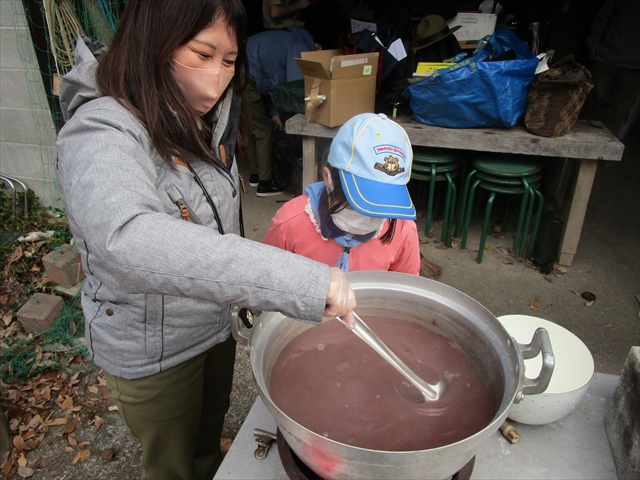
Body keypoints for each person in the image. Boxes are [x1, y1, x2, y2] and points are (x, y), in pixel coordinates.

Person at [54, 1, 356, 479]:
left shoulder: (204, 115)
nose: (216, 79)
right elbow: (127, 238)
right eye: (202, 53)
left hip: (213, 326)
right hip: (153, 350)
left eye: (230, 60)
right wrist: (300, 281)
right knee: (173, 466)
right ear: (153, 42)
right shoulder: (100, 129)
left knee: (205, 446)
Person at [263, 113, 421, 274]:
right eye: (358, 202)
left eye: (385, 204)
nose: (370, 215)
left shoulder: (404, 230)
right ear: (328, 178)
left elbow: (404, 290)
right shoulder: (289, 224)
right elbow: (265, 282)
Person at [245, 27, 318, 196]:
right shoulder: (298, 45)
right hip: (246, 76)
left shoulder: (284, 39)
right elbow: (293, 86)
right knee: (263, 131)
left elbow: (276, 81)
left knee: (252, 127)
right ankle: (265, 182)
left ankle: (256, 175)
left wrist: (274, 111)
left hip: (239, 70)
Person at [585, 0, 640, 138]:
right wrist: (594, 40)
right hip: (606, 59)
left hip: (634, 69)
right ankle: (581, 154)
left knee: (617, 115)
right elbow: (602, 17)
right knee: (590, 107)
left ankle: (600, 156)